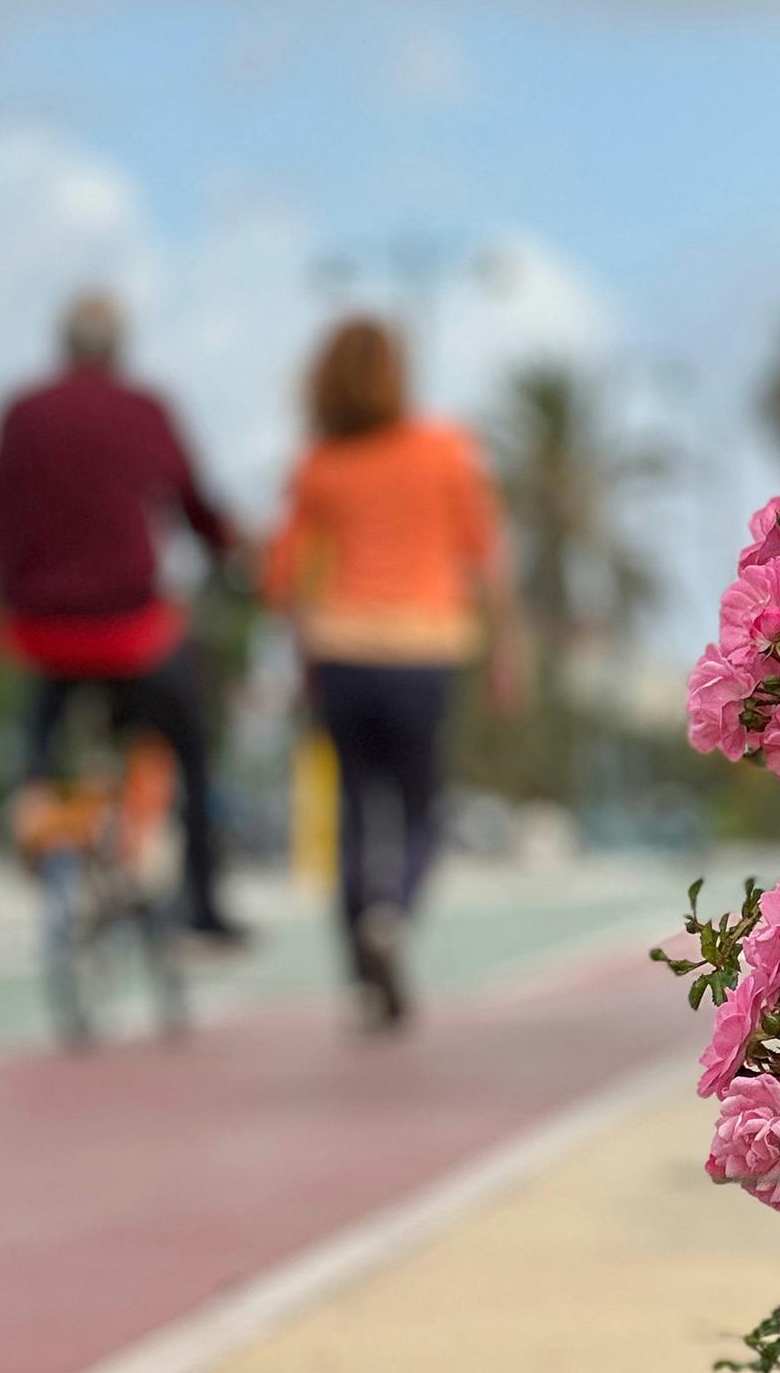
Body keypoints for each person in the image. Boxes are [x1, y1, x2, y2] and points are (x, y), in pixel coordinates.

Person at [264, 317, 521, 1030]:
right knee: (420, 813)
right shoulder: (446, 449)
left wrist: (303, 655)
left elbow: (285, 578)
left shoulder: (320, 464)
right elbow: (489, 559)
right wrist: (505, 654)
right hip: (423, 652)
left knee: (353, 812)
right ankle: (393, 917)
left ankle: (360, 975)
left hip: (342, 654)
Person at [0, 291, 247, 944]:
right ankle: (203, 906)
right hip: (130, 625)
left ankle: (34, 794)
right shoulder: (143, 409)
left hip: (39, 625)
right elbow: (191, 501)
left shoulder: (22, 411)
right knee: (191, 743)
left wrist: (10, 592)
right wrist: (227, 552)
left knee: (45, 714)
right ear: (118, 347)